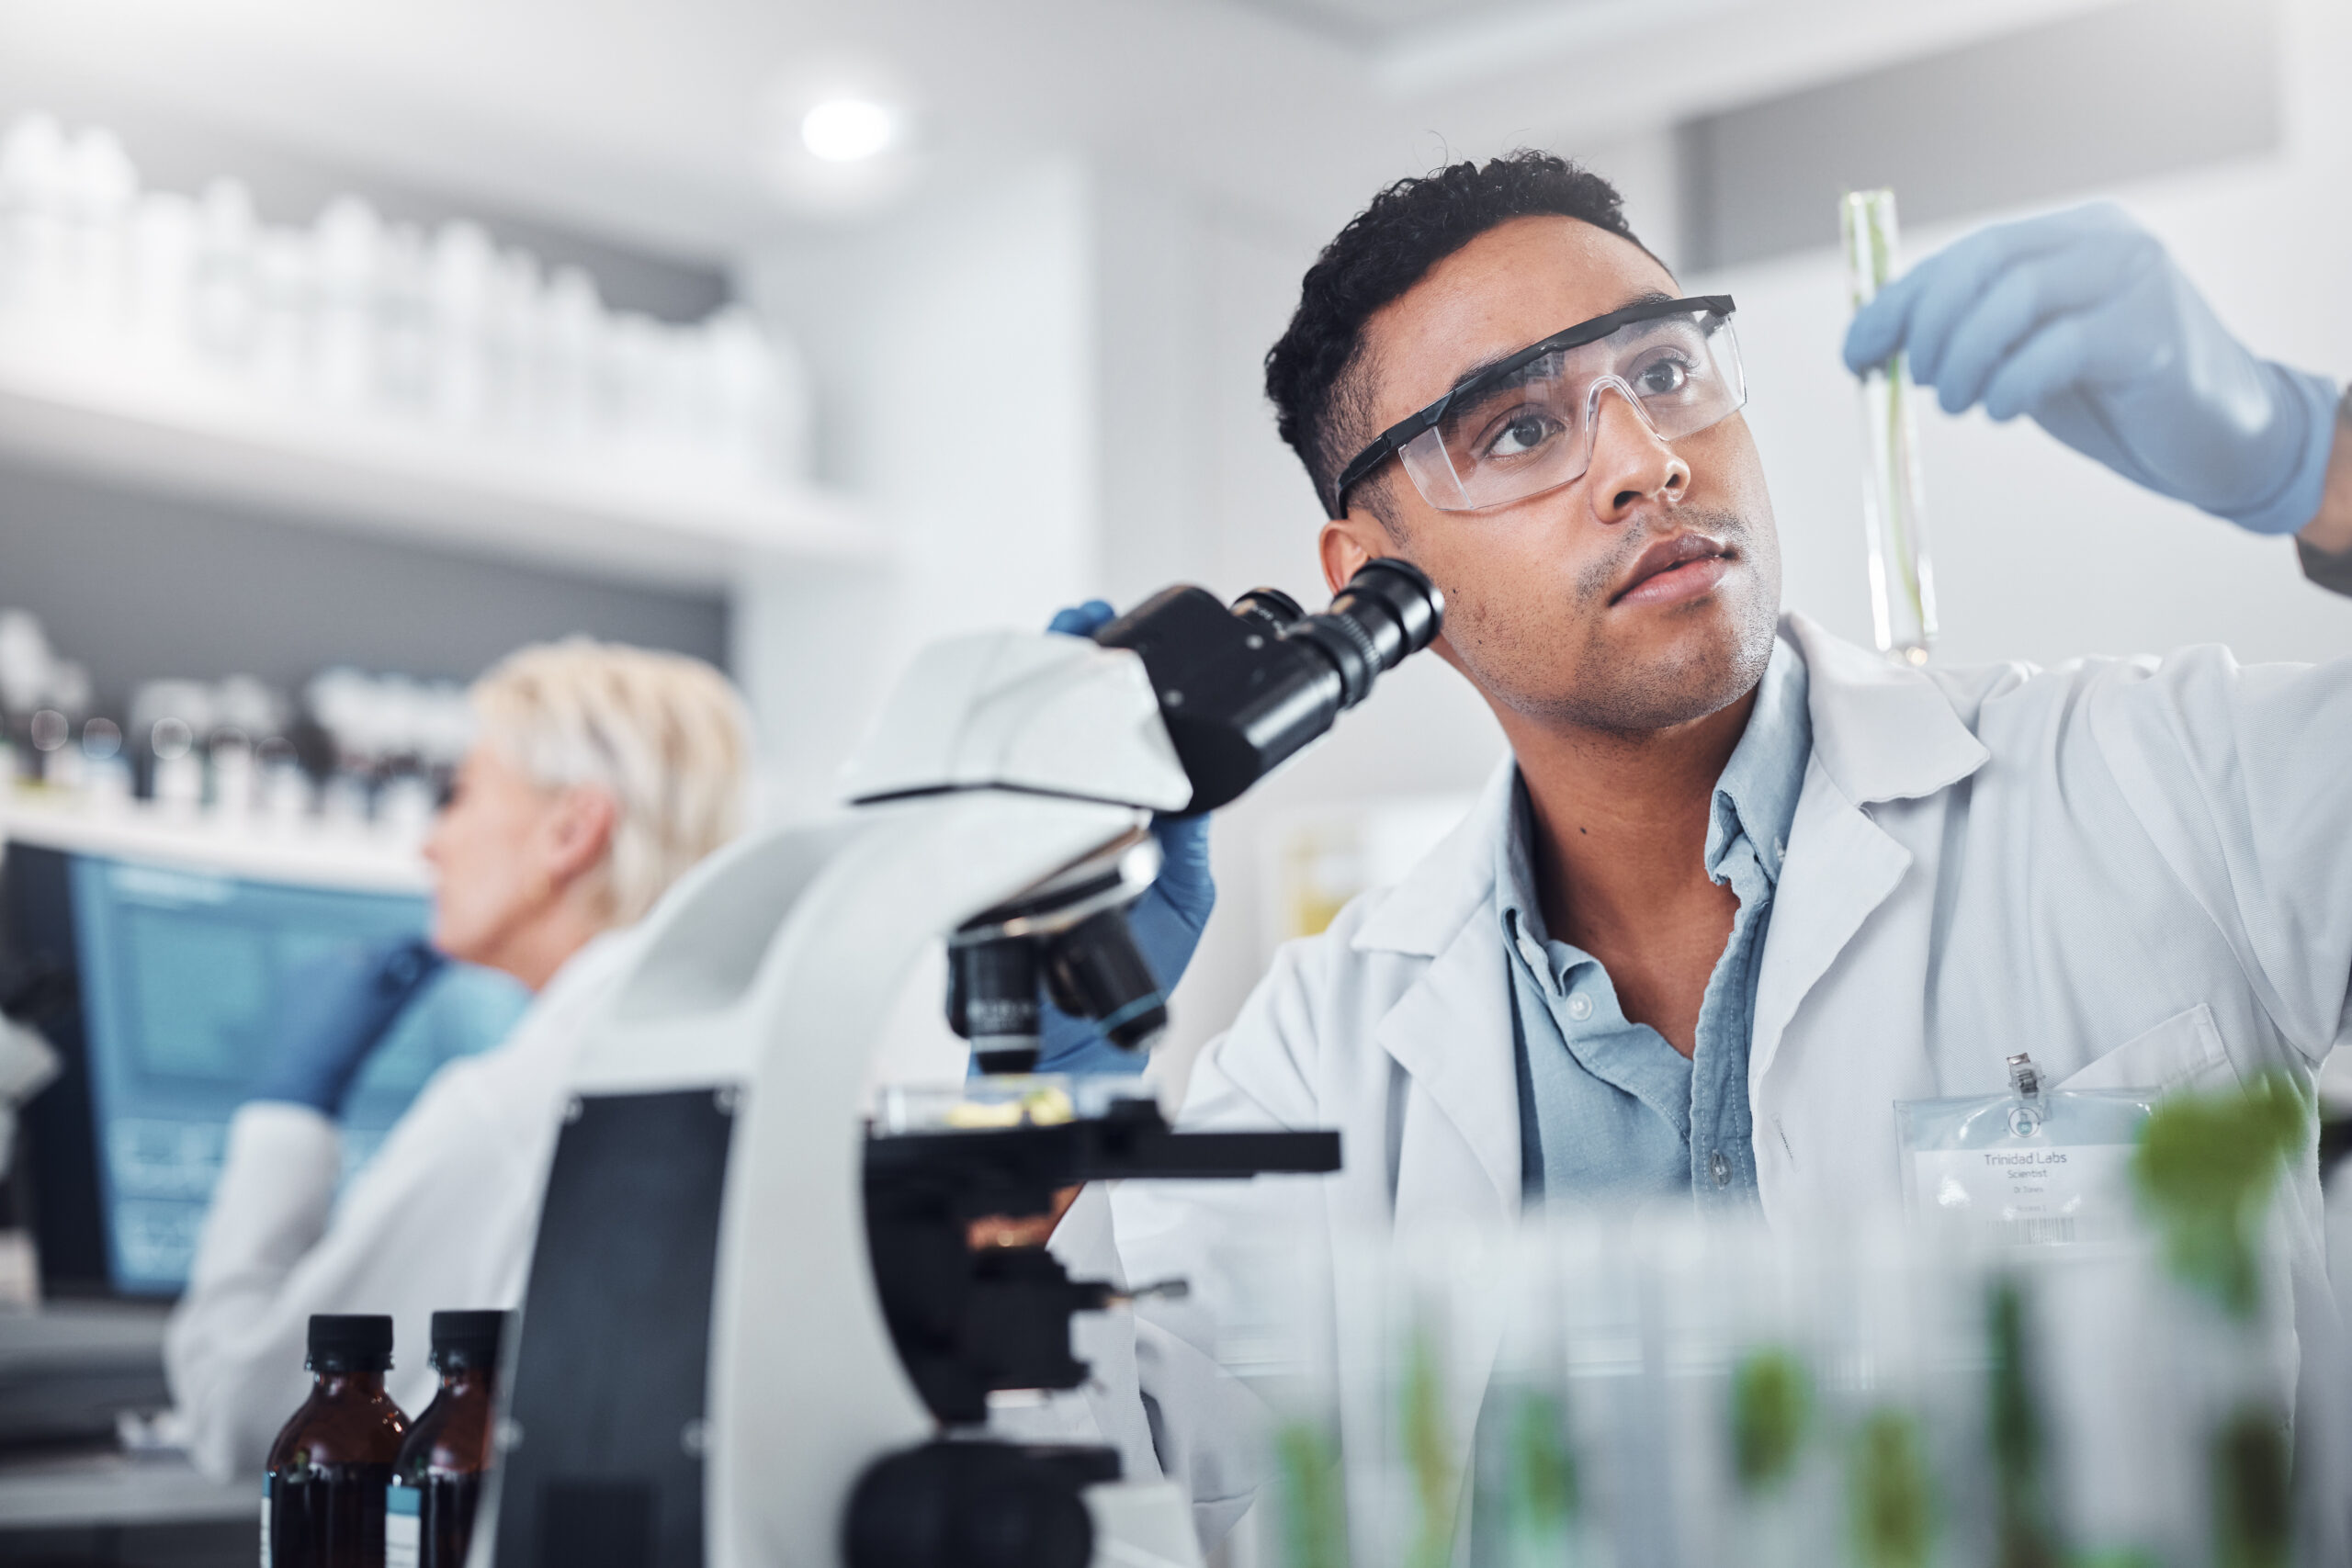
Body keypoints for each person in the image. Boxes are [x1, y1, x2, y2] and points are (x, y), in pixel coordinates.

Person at [1066, 154, 2352, 1543]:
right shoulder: (1323, 1049)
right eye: (1515, 430)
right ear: (1370, 570)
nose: (1644, 460)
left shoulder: (2157, 786)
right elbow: (1126, 1495)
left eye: (1666, 372)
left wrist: (2319, 462)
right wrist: (1042, 1087)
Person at [165, 639, 750, 1482]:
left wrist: (288, 1110)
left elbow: (240, 1413)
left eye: (460, 795)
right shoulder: (728, 1044)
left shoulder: (523, 1101)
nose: (430, 846)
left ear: (571, 830)